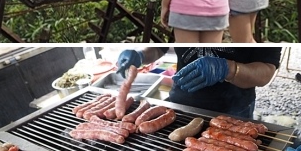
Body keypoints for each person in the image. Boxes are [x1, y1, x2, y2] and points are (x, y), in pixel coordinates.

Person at [117, 47, 282, 117]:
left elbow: (265, 72)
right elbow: (160, 48)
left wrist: (229, 69)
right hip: (179, 103)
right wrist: (141, 55)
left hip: (232, 110)